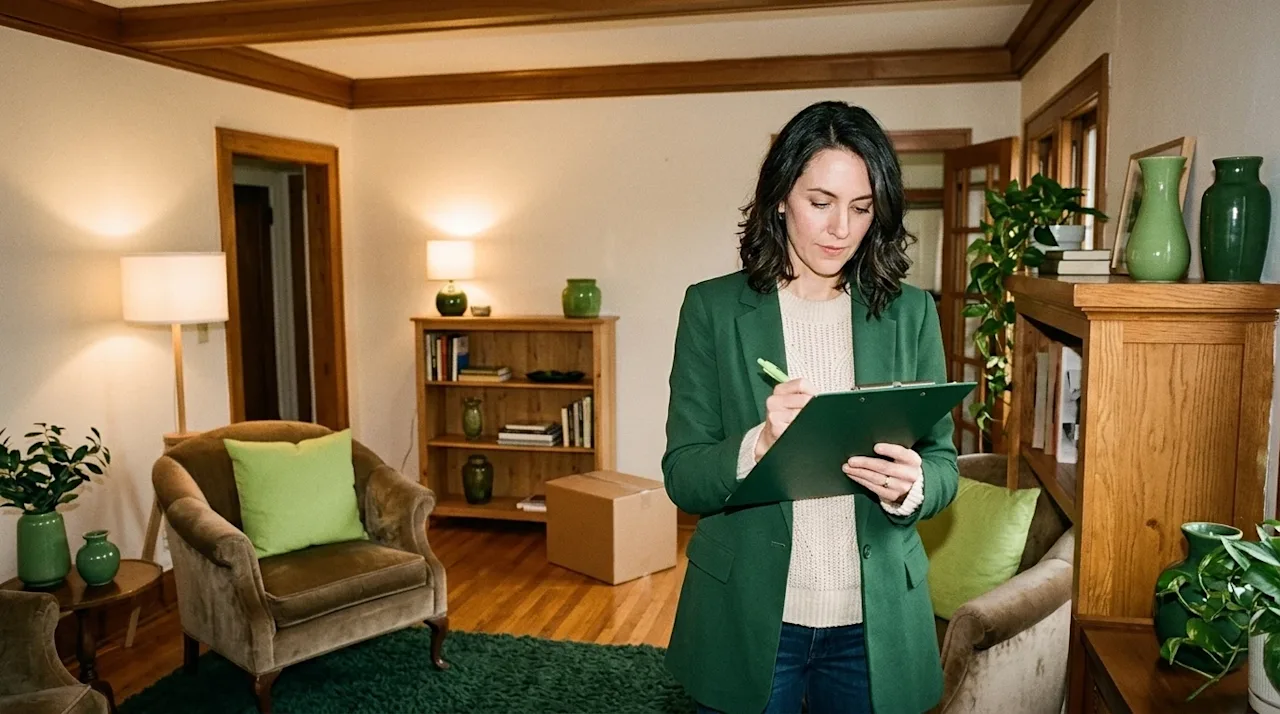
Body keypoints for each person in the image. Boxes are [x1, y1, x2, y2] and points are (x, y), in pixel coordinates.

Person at [661, 100, 959, 714]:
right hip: (748, 615)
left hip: (872, 621)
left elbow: (945, 465)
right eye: (820, 203)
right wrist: (759, 445)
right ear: (779, 198)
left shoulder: (911, 313)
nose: (840, 230)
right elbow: (684, 477)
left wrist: (915, 485)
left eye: (860, 207)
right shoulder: (712, 311)